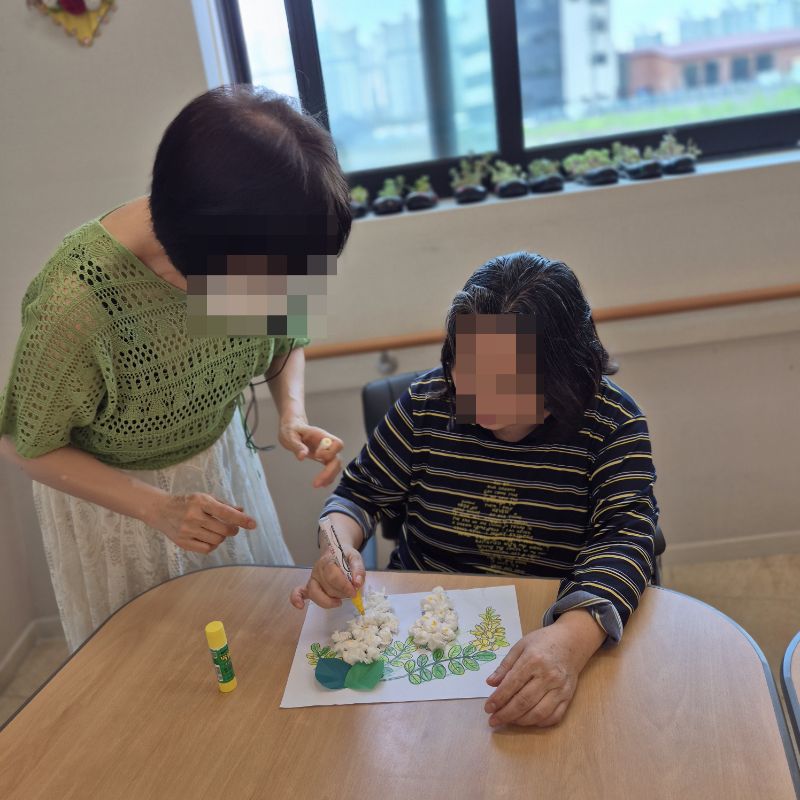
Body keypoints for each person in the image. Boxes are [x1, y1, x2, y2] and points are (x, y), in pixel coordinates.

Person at [0, 85, 350, 652]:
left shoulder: (246, 242)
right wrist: (157, 508)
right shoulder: (78, 304)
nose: (283, 294)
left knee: (259, 643)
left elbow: (287, 336)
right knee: (159, 670)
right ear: (204, 266)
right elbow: (25, 445)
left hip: (221, 469)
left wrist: (292, 413)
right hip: (122, 507)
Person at [291, 251, 659, 728]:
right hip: (422, 621)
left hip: (550, 624)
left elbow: (625, 538)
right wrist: (336, 547)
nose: (477, 391)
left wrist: (572, 637)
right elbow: (356, 496)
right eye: (467, 365)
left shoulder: (612, 423)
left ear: (563, 371)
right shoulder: (428, 404)